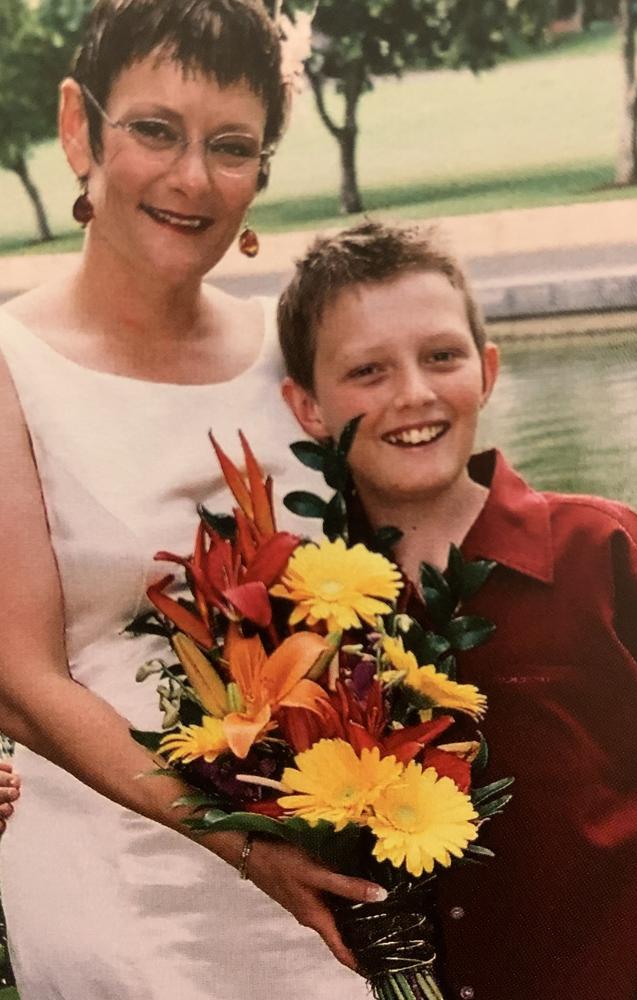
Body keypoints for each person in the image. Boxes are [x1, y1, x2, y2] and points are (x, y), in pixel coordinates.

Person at [0, 3, 383, 998]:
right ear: (80, 127)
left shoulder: (291, 345)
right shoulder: (9, 365)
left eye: (230, 147)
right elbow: (22, 683)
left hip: (329, 865)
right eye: (154, 131)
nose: (191, 179)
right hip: (122, 889)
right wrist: (241, 844)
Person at [277, 220, 637, 1000]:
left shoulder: (603, 550)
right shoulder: (300, 619)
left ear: (486, 370)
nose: (413, 393)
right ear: (307, 407)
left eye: (441, 357)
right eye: (368, 371)